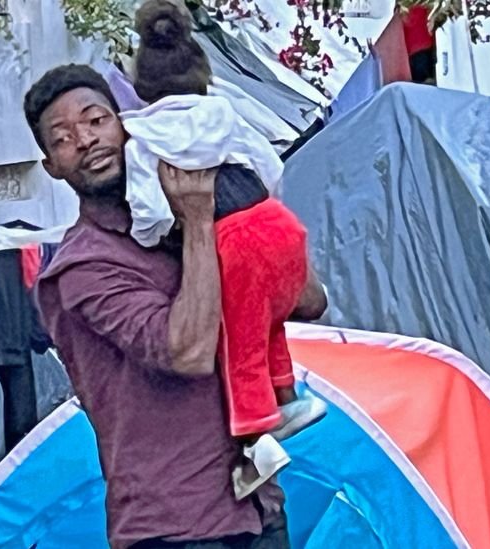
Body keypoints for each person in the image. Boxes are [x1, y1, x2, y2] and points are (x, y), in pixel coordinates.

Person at [24, 64, 322, 548]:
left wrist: (248, 210)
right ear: (53, 166)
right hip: (175, 523)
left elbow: (309, 302)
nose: (85, 140)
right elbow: (188, 353)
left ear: (127, 126)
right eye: (62, 138)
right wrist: (201, 220)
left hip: (259, 505)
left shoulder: (170, 217)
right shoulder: (83, 267)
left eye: (96, 120)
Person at [125, 0, 327, 499]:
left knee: (238, 336)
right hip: (277, 225)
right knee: (265, 321)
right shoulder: (225, 112)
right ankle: (287, 394)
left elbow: (148, 212)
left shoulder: (142, 136)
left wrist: (154, 236)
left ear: (140, 86)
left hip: (232, 241)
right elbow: (271, 167)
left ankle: (258, 427)